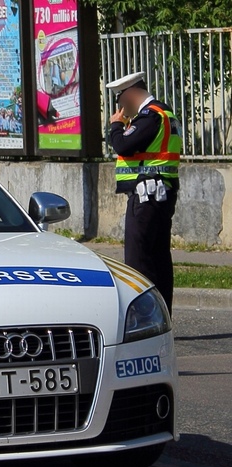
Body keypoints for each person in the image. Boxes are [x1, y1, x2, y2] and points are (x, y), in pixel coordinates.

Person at [106, 71, 182, 313]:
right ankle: (162, 317)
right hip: (159, 195)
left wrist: (116, 126)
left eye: (120, 100)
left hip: (146, 197)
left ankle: (145, 318)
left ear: (130, 94)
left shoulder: (150, 116)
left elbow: (123, 145)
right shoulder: (164, 114)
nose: (120, 107)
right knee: (158, 259)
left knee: (138, 261)